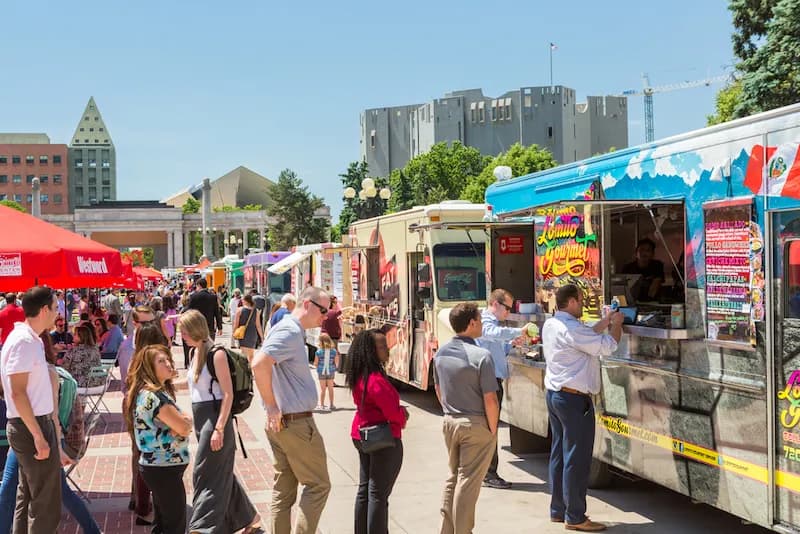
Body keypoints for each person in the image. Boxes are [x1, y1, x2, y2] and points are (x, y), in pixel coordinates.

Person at [0, 332, 101, 534]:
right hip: (36, 439)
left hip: (42, 439)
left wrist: (54, 443)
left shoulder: (49, 375)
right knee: (19, 492)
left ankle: (92, 530)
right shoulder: (53, 375)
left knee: (20, 493)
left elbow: (53, 416)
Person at [542, 284, 623, 532]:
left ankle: (558, 509)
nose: (584, 303)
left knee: (559, 454)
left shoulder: (553, 323)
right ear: (574, 302)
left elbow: (586, 334)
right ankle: (575, 516)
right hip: (574, 400)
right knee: (577, 459)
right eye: (582, 299)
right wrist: (617, 324)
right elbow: (607, 345)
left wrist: (604, 321)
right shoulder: (573, 330)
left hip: (556, 395)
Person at [252, 286, 332, 534]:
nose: (325, 317)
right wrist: (271, 406)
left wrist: (272, 408)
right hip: (294, 423)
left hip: (284, 423)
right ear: (307, 304)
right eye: (323, 310)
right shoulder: (289, 329)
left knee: (284, 491)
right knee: (318, 485)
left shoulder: (288, 329)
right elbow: (259, 362)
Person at [178, 310, 263, 534]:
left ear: (195, 329)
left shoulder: (216, 354)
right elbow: (194, 387)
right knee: (220, 472)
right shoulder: (194, 353)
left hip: (214, 421)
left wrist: (218, 429)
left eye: (184, 330)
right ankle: (250, 518)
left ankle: (203, 528)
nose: (181, 334)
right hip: (201, 420)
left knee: (203, 473)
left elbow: (228, 394)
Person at [0, 286, 63, 533]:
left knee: (28, 498)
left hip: (30, 423)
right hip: (31, 424)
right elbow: (16, 391)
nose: (57, 313)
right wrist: (38, 434)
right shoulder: (24, 341)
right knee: (45, 503)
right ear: (44, 309)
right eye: (56, 308)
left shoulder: (26, 339)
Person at [433, 302, 499, 534]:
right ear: (471, 324)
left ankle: (447, 529)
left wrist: (449, 412)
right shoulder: (482, 355)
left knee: (453, 477)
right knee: (468, 482)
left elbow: (439, 390)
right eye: (480, 319)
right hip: (476, 424)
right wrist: (493, 430)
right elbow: (490, 398)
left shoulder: (440, 353)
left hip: (450, 421)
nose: (481, 323)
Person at [124, 345, 192, 534]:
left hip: (160, 467)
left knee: (162, 524)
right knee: (174, 525)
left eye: (168, 359)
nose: (168, 364)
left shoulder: (151, 393)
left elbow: (182, 424)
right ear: (149, 368)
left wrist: (181, 425)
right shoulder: (154, 397)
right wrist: (183, 425)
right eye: (161, 361)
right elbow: (184, 427)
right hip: (164, 467)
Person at [346, 329, 407, 534]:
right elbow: (392, 412)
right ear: (370, 351)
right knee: (378, 494)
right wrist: (403, 416)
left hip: (362, 434)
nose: (386, 349)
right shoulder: (375, 380)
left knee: (366, 490)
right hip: (382, 438)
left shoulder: (360, 375)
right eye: (381, 346)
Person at [477, 288, 535, 490]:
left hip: (493, 380)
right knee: (489, 429)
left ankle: (487, 472)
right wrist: (520, 331)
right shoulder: (485, 321)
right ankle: (488, 473)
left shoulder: (492, 324)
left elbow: (496, 348)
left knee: (489, 429)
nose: (508, 313)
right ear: (495, 304)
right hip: (488, 382)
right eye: (506, 308)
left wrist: (511, 344)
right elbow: (491, 334)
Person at [117, 304, 157, 523]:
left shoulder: (153, 344)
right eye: (145, 323)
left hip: (148, 402)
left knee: (145, 450)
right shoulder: (129, 348)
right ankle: (140, 498)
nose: (150, 327)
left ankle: (140, 496)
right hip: (136, 403)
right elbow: (128, 382)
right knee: (140, 450)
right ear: (134, 324)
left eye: (152, 321)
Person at [184, 278, 223, 368]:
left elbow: (189, 310)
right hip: (209, 326)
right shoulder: (213, 297)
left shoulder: (194, 296)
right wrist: (220, 327)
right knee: (209, 347)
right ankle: (208, 364)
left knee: (196, 345)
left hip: (196, 326)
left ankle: (197, 364)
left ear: (199, 285)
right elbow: (217, 313)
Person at [62, 324, 103, 388]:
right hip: (98, 382)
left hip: (80, 383)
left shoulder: (73, 351)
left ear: (81, 337)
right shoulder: (95, 349)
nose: (73, 336)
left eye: (75, 334)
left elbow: (64, 368)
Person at [234, 294, 264, 363]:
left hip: (243, 333)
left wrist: (234, 333)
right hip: (253, 334)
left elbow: (236, 324)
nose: (242, 301)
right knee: (251, 355)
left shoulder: (239, 310)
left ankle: (244, 371)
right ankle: (251, 370)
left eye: (242, 300)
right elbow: (258, 325)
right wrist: (262, 337)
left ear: (245, 301)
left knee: (243, 354)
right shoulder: (256, 311)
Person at [314, 333, 339, 410]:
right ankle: (331, 404)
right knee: (331, 389)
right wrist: (334, 367)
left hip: (321, 372)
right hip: (331, 371)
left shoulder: (319, 352)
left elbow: (315, 363)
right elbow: (336, 362)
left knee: (323, 389)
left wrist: (317, 366)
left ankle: (322, 405)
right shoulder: (334, 351)